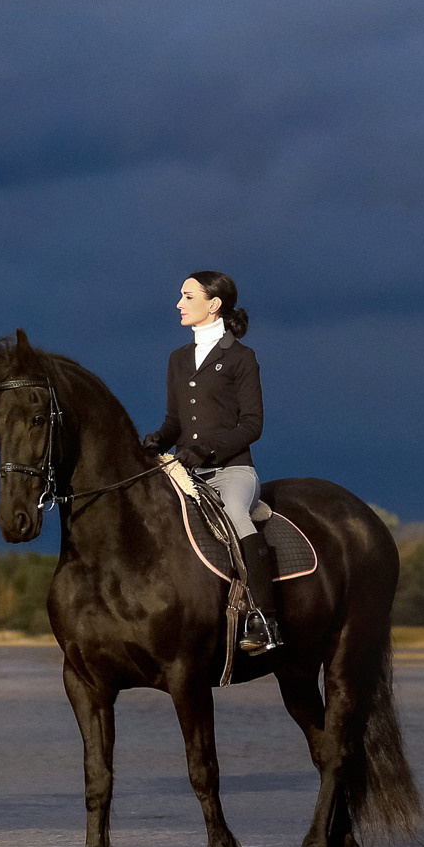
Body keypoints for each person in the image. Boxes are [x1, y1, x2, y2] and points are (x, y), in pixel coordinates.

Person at [140, 271, 284, 653]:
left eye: (188, 297)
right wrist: (158, 439)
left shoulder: (240, 358)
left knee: (236, 515)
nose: (179, 304)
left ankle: (264, 618)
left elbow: (253, 424)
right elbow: (175, 421)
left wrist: (207, 451)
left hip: (233, 469)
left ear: (213, 304)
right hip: (186, 471)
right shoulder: (178, 359)